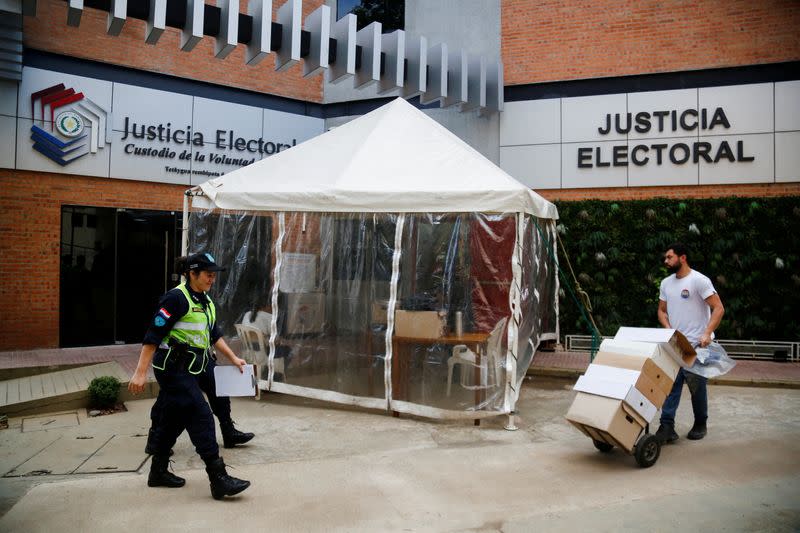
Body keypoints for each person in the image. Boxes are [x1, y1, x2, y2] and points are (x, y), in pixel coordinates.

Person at [128, 252, 251, 500]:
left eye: (214, 275)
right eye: (208, 274)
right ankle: (218, 479)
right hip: (174, 369)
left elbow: (214, 334)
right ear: (192, 274)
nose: (212, 279)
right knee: (201, 415)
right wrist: (140, 373)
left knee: (174, 417)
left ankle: (158, 471)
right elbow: (152, 335)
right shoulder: (175, 299)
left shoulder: (205, 301)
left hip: (196, 366)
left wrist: (232, 358)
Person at [655, 242, 725, 443]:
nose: (666, 261)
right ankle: (667, 426)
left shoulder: (699, 281)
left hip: (697, 346)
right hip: (676, 345)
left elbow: (718, 308)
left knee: (696, 386)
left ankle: (700, 423)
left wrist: (707, 333)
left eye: (669, 257)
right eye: (666, 258)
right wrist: (668, 329)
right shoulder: (666, 283)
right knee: (670, 385)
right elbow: (661, 310)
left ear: (682, 257)